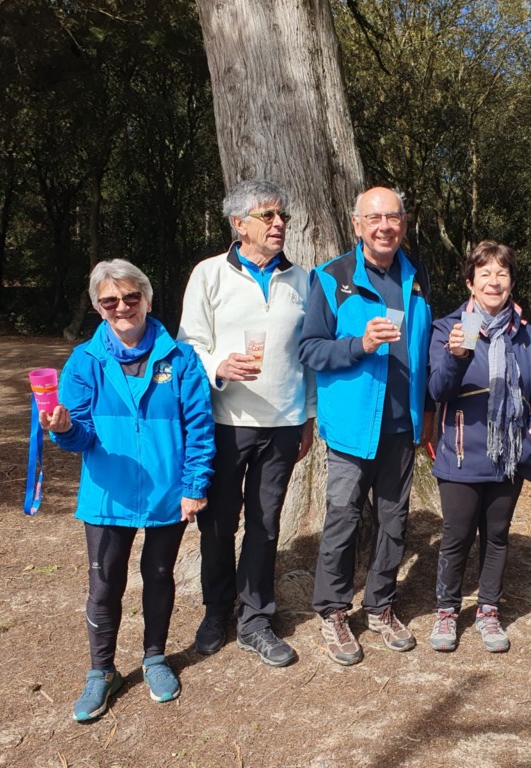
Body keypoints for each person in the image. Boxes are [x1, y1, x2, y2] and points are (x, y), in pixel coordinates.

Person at [41, 259, 215, 722]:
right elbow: (79, 437)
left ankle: (155, 658)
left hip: (167, 493)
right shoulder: (85, 360)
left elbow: (200, 429)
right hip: (107, 495)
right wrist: (63, 428)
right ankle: (101, 671)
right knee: (104, 586)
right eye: (109, 301)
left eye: (130, 297)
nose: (122, 307)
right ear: (99, 308)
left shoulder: (181, 359)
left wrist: (194, 486)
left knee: (159, 575)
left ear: (148, 300)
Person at [177, 181, 316, 667]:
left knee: (265, 524)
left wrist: (308, 417)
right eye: (268, 216)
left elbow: (308, 354)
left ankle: (256, 619)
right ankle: (216, 610)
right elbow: (188, 344)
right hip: (223, 422)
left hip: (283, 424)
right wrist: (218, 365)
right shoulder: (209, 274)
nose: (279, 224)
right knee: (218, 525)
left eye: (283, 216)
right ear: (239, 224)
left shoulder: (302, 280)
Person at [299, 186, 433, 666]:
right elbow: (309, 349)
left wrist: (427, 412)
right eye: (374, 218)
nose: (384, 227)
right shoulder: (332, 277)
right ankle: (333, 611)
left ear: (404, 223)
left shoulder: (417, 277)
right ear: (357, 224)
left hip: (401, 426)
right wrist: (359, 345)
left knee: (394, 523)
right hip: (353, 427)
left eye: (392, 218)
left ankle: (380, 606)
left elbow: (427, 347)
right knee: (342, 521)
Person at [427, 241, 531, 653]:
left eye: (502, 273)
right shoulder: (451, 327)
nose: (494, 281)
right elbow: (438, 389)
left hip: (509, 455)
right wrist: (456, 356)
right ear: (470, 282)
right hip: (462, 452)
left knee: (497, 536)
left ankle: (488, 609)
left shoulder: (526, 334)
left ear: (511, 282)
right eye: (485, 274)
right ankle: (447, 610)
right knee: (456, 536)